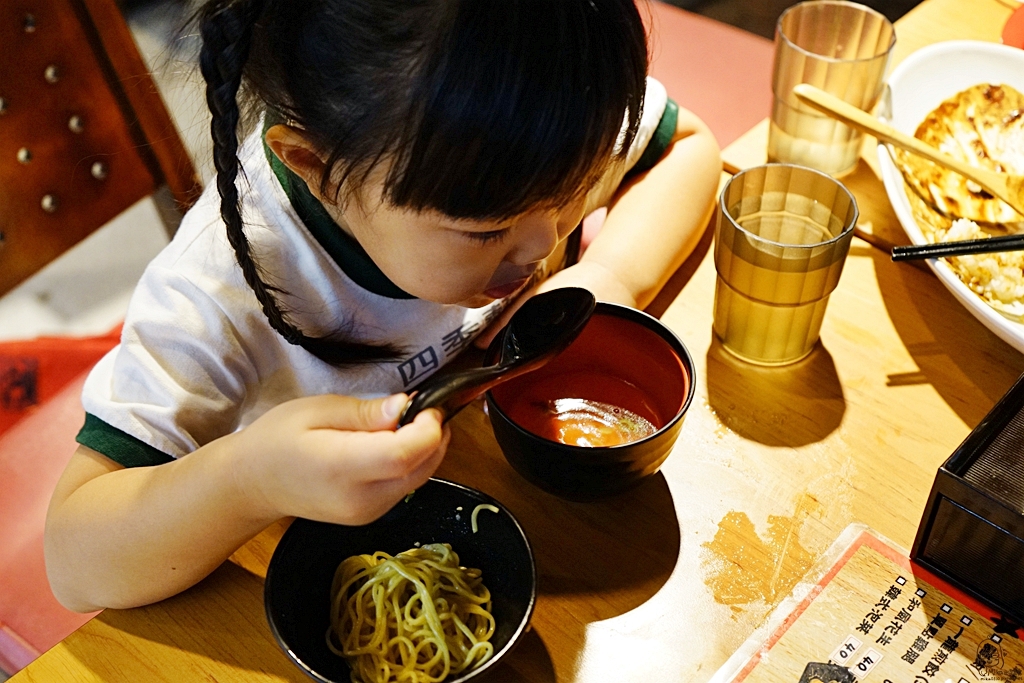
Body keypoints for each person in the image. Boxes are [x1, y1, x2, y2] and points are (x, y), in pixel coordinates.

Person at [45, 0, 721, 612]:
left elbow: (688, 148)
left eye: (571, 190)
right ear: (315, 165)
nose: (544, 242)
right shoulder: (219, 290)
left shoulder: (538, 116)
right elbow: (75, 558)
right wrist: (250, 480)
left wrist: (610, 274)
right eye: (487, 229)